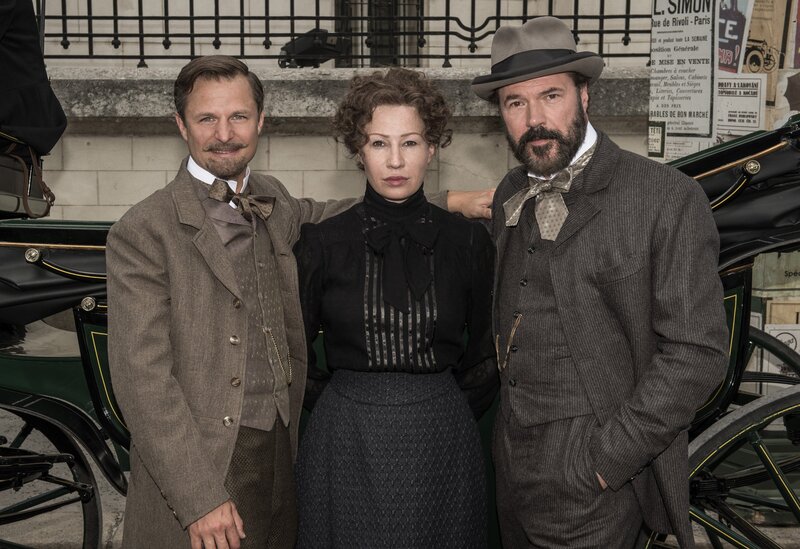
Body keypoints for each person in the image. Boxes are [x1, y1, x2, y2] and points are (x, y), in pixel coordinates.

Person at [107, 55, 487, 549]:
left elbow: (354, 212)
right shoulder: (143, 230)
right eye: (206, 118)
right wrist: (199, 498)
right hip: (205, 461)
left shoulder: (272, 199)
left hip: (281, 451)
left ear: (260, 121)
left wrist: (448, 201)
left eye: (239, 116)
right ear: (181, 125)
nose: (225, 133)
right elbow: (143, 384)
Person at [469, 17, 729, 548]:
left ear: (584, 95)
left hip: (596, 476)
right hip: (512, 470)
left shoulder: (665, 197)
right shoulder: (510, 192)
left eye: (551, 96)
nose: (534, 119)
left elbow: (697, 352)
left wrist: (608, 460)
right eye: (515, 103)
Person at [293, 68, 498, 548]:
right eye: (378, 143)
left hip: (443, 436)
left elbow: (488, 352)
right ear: (358, 150)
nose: (395, 160)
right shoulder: (321, 243)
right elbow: (293, 354)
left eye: (410, 142)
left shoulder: (469, 241)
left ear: (432, 148)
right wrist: (345, 403)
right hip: (343, 438)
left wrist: (440, 404)